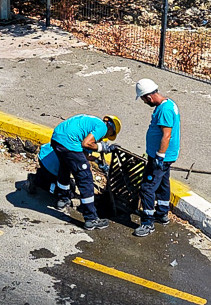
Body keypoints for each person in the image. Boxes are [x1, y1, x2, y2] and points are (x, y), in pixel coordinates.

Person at [36, 113, 122, 230]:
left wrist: (97, 160)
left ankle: (63, 199)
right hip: (69, 143)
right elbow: (86, 144)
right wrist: (103, 148)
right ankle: (91, 219)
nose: (104, 138)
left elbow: (83, 154)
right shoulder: (102, 127)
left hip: (57, 139)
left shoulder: (91, 121)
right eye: (110, 135)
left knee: (65, 168)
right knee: (85, 179)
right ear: (111, 127)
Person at [133, 79, 180, 237]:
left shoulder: (164, 110)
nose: (144, 102)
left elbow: (166, 135)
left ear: (149, 97)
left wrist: (159, 156)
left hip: (161, 157)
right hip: (164, 156)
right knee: (163, 184)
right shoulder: (167, 104)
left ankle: (147, 222)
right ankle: (162, 213)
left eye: (143, 99)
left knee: (147, 188)